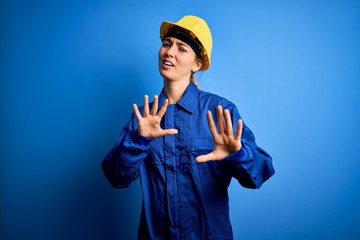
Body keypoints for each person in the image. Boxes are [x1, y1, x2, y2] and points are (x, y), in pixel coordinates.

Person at [101, 15, 275, 240]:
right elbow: (116, 178)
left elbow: (259, 174)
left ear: (197, 64)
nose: (170, 52)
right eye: (166, 44)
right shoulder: (144, 118)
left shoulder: (219, 111)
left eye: (182, 48)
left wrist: (238, 154)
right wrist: (139, 140)